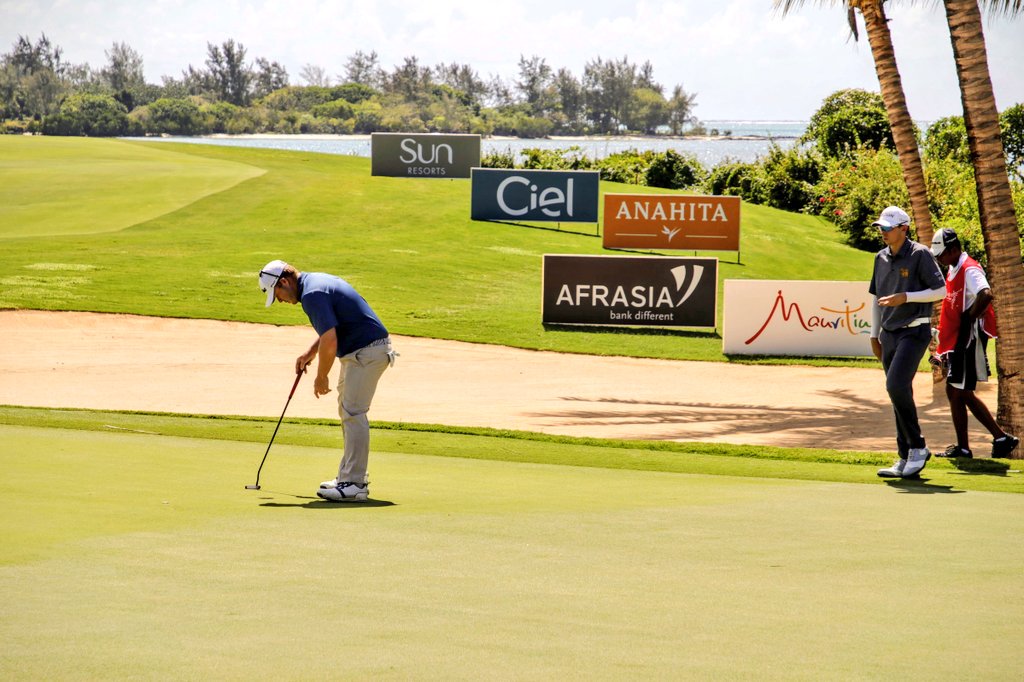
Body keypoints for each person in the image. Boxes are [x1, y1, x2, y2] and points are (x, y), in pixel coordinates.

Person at [259, 260, 396, 501]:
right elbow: (330, 330)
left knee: (353, 413)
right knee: (348, 412)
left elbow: (331, 339)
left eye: (277, 294)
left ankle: (354, 484)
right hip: (361, 352)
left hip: (366, 352)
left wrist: (322, 377)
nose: (279, 300)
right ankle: (349, 476)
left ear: (283, 281)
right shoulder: (314, 284)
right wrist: (309, 354)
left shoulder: (312, 294)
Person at [868, 206, 946, 479]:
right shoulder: (880, 258)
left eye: (888, 228)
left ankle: (918, 448)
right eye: (881, 228)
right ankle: (904, 456)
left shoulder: (920, 254)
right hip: (888, 333)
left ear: (904, 228)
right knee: (897, 393)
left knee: (896, 385)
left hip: (914, 331)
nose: (883, 233)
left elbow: (941, 290)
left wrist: (907, 297)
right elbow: (876, 298)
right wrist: (873, 334)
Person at [929, 228, 1019, 459]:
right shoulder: (953, 267)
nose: (939, 258)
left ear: (954, 249)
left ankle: (990, 441)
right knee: (958, 391)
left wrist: (969, 318)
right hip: (959, 338)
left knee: (958, 390)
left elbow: (986, 294)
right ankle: (995, 440)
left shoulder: (969, 268)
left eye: (942, 254)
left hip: (968, 339)